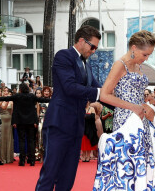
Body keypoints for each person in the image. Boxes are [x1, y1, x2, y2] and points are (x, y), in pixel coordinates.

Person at [35, 25, 103, 191]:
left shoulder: (87, 65)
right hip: (59, 123)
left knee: (68, 176)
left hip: (76, 126)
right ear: (81, 40)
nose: (94, 51)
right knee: (50, 173)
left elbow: (98, 88)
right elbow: (69, 87)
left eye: (96, 47)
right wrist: (100, 93)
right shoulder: (64, 56)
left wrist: (118, 98)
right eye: (92, 46)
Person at [94, 30, 155, 190]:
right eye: (145, 54)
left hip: (142, 119)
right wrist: (133, 106)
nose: (147, 58)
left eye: (149, 55)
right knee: (127, 162)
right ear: (134, 48)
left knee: (141, 161)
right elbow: (104, 95)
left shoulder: (138, 65)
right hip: (126, 120)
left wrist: (148, 101)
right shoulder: (120, 64)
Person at [0, 83, 50, 167]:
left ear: (20, 89)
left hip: (20, 121)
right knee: (31, 140)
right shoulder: (31, 96)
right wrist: (53, 99)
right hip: (31, 122)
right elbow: (42, 100)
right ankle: (32, 160)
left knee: (21, 140)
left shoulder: (17, 96)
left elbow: (6, 98)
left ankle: (22, 160)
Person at [0, 87, 14, 164]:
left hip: (9, 121)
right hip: (1, 120)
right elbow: (1, 108)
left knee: (9, 138)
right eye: (4, 91)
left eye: (7, 91)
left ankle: (9, 158)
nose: (5, 92)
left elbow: (12, 112)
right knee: (2, 138)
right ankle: (2, 158)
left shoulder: (11, 101)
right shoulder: (0, 100)